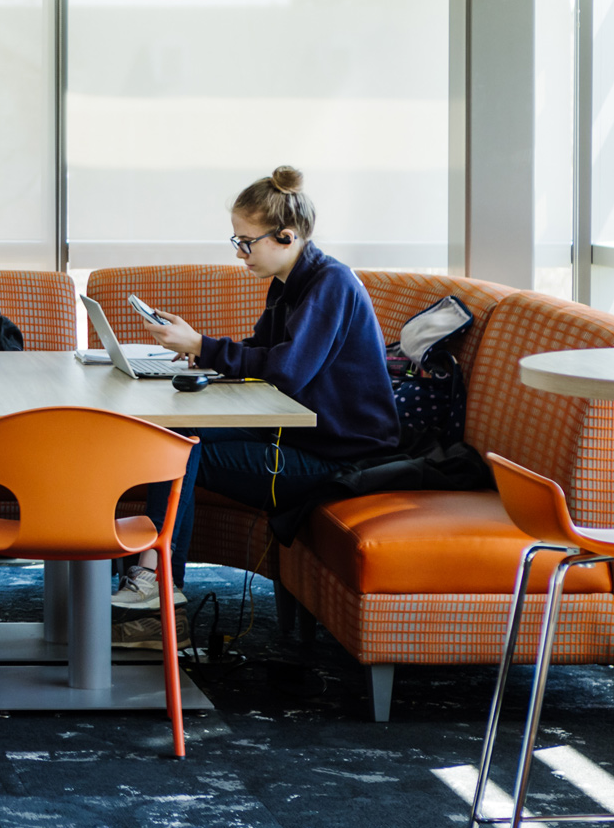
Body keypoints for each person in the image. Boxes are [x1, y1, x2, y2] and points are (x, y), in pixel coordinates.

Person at [111, 165, 400, 615]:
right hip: (299, 438)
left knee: (181, 449)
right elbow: (263, 351)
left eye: (246, 242)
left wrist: (204, 346)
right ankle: (153, 575)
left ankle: (156, 580)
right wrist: (202, 353)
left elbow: (286, 372)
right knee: (170, 435)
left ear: (284, 237)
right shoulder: (290, 284)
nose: (240, 253)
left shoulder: (331, 285)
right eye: (237, 242)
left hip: (337, 457)